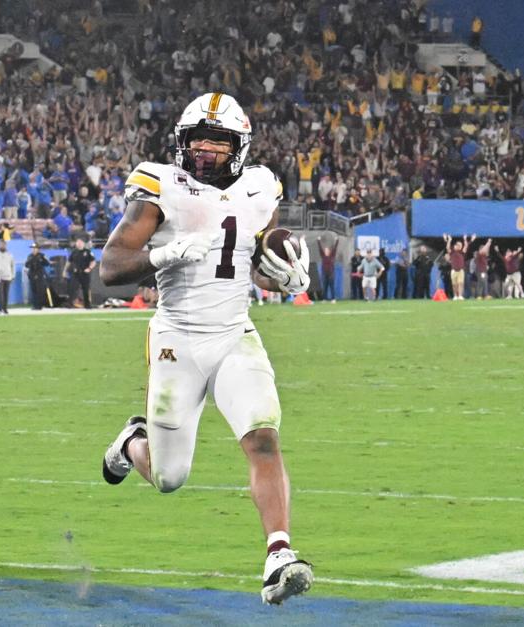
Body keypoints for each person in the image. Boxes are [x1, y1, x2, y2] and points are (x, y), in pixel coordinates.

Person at [98, 92, 313, 605]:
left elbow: (252, 258)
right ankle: (132, 442)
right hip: (176, 338)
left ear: (238, 147)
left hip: (234, 333)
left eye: (219, 144)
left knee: (263, 436)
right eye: (199, 142)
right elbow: (110, 269)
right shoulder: (160, 186)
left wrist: (283, 276)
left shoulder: (262, 188)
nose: (207, 153)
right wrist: (165, 253)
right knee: (170, 477)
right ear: (182, 144)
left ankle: (279, 554)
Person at [67, 238, 96, 308]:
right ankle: (70, 303)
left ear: (83, 243)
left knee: (85, 289)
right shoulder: (74, 252)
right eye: (78, 242)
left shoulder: (88, 252)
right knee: (72, 288)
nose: (79, 244)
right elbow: (69, 262)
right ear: (76, 244)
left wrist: (89, 268)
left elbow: (93, 262)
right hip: (76, 273)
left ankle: (87, 304)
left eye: (80, 242)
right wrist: (65, 270)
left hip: (84, 273)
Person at [444, 234, 474, 300]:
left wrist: (465, 239)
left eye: (461, 245)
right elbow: (447, 247)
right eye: (458, 245)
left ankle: (460, 295)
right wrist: (449, 240)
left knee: (460, 283)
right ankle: (455, 296)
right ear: (455, 246)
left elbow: (466, 246)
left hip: (461, 270)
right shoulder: (452, 252)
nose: (460, 246)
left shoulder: (462, 252)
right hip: (453, 270)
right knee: (454, 284)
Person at [25, 242, 51, 310]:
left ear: (38, 249)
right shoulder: (29, 256)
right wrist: (30, 261)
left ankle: (40, 305)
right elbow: (26, 265)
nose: (33, 250)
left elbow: (47, 263)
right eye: (32, 248)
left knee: (40, 291)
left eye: (35, 248)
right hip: (32, 275)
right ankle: (34, 305)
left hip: (39, 275)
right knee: (33, 290)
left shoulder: (42, 255)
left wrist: (43, 260)